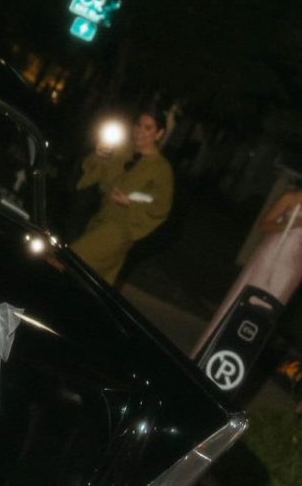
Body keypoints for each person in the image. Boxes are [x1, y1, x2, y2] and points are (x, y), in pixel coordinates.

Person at [192, 187, 302, 358]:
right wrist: (290, 224)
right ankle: (210, 348)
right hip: (271, 257)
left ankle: (242, 353)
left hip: (293, 269)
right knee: (246, 299)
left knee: (269, 311)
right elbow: (264, 224)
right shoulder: (291, 197)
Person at [69, 108, 173, 285]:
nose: (140, 131)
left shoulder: (161, 169)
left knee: (70, 259)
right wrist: (99, 155)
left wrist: (130, 202)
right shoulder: (122, 151)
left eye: (148, 128)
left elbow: (160, 207)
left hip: (121, 230)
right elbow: (94, 173)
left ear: (159, 134)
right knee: (90, 281)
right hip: (100, 219)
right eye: (138, 125)